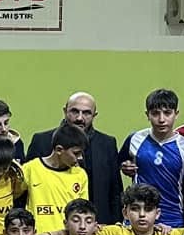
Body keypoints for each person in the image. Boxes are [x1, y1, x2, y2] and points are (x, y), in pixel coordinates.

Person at [26, 93, 121, 222]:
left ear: (94, 115)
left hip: (101, 223)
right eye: (74, 111)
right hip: (48, 222)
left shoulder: (107, 143)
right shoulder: (41, 141)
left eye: (86, 113)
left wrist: (116, 224)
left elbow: (115, 191)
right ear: (65, 111)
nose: (80, 118)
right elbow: (24, 190)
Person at [119, 89, 184, 228]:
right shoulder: (135, 139)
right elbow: (120, 163)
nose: (161, 119)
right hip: (138, 218)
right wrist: (124, 166)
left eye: (167, 113)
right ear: (147, 115)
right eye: (155, 113)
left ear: (176, 114)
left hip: (172, 220)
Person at [19, 125, 91, 232]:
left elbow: (82, 212)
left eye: (81, 153)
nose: (80, 158)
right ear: (59, 150)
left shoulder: (80, 174)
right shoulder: (31, 169)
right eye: (76, 153)